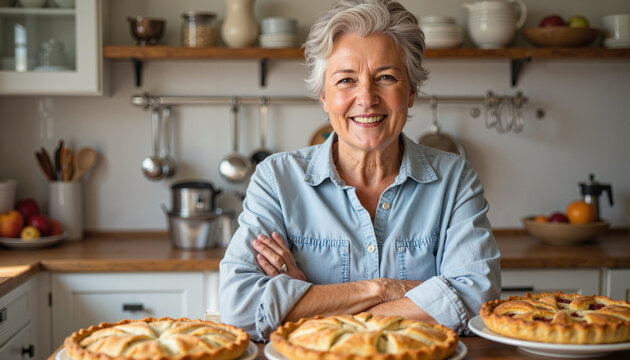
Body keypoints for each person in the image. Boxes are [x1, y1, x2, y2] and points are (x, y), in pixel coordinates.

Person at [219, 0, 501, 342]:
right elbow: (242, 308)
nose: (366, 98)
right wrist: (384, 289)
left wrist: (305, 299)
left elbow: (476, 302)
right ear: (324, 96)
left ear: (411, 92)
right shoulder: (277, 180)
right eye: (346, 80)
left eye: (386, 77)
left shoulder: (455, 180)